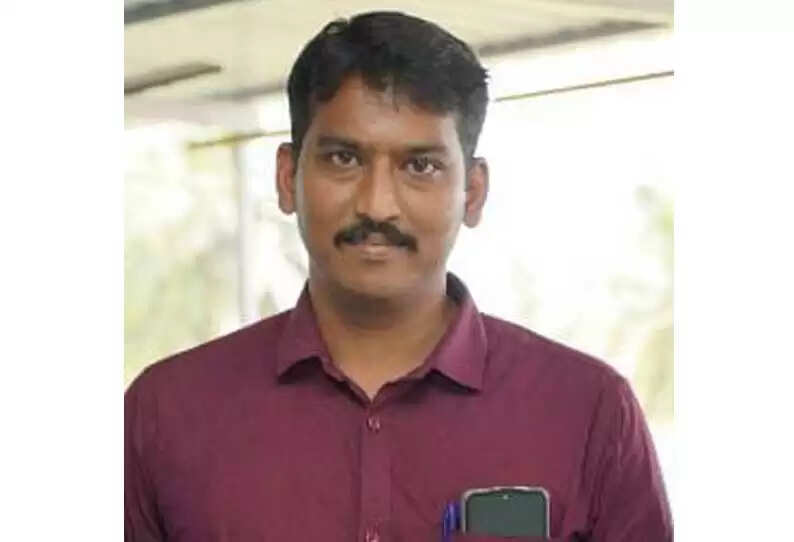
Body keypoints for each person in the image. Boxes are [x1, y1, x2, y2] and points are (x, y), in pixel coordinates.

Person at [125, 11, 672, 542]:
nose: (377, 205)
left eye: (420, 166)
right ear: (288, 178)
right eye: (343, 158)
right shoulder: (165, 414)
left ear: (472, 192)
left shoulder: (587, 412)